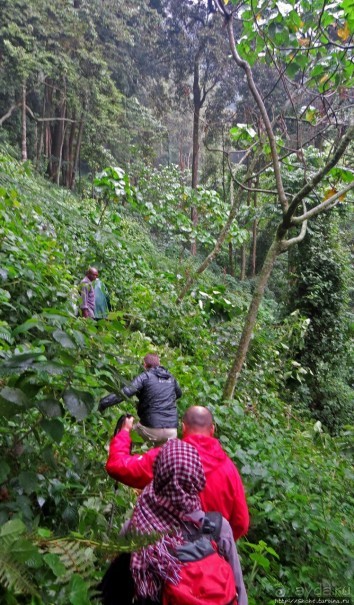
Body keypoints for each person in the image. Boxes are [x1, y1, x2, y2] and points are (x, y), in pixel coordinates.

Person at [126, 439, 247, 605]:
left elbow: (118, 588)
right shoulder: (219, 528)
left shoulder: (138, 525)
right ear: (197, 478)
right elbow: (239, 590)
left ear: (160, 472)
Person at [105, 405, 249, 541]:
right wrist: (214, 544)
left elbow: (118, 466)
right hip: (207, 553)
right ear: (212, 429)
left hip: (161, 546)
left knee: (127, 531)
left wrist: (124, 432)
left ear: (183, 427)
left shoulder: (167, 457)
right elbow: (240, 523)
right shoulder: (229, 470)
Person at [99, 353, 182, 444]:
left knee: (125, 435)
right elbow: (178, 394)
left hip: (150, 428)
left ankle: (117, 455)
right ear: (159, 363)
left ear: (144, 364)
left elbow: (125, 392)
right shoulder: (170, 377)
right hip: (171, 431)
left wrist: (103, 403)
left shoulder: (145, 376)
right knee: (160, 455)